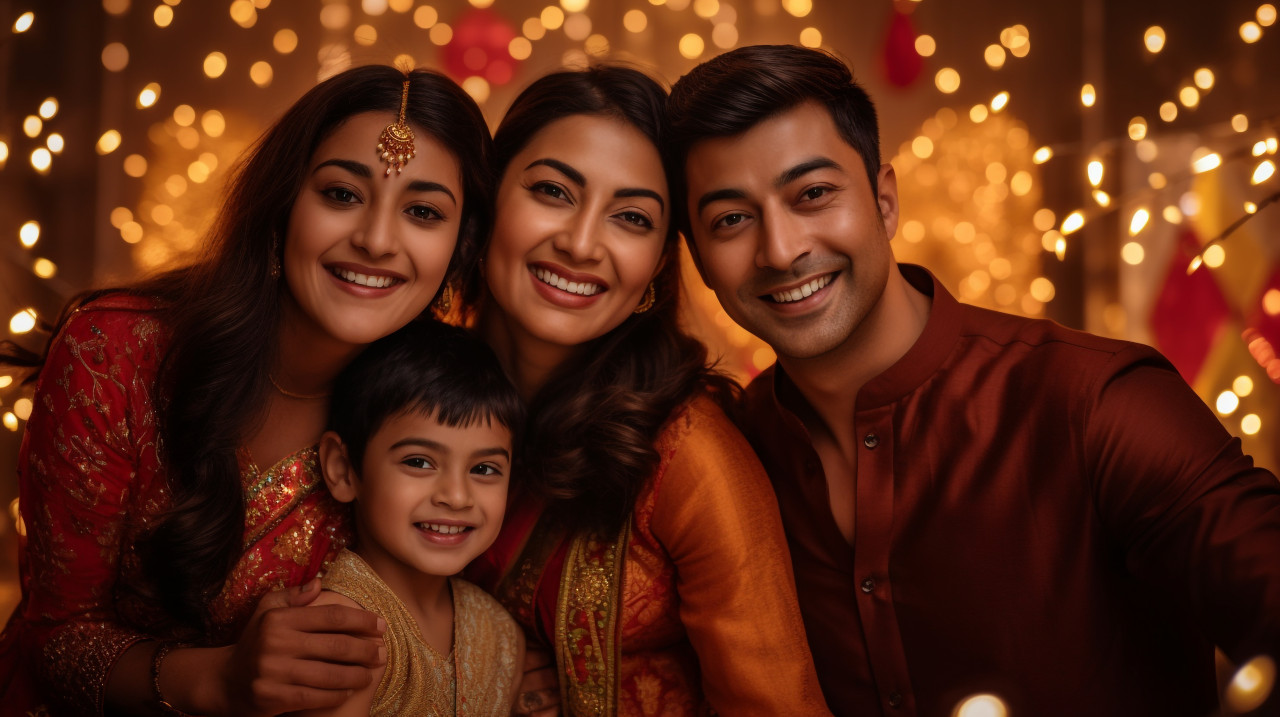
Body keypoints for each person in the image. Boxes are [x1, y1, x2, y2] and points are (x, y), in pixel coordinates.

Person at [665, 43, 1280, 717]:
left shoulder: (1096, 403)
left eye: (813, 194)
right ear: (698, 256)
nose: (780, 249)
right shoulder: (722, 461)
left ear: (885, 201)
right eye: (731, 220)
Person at [0, 64, 493, 716]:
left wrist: (500, 658)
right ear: (281, 207)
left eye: (423, 212)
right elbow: (51, 638)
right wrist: (219, 677)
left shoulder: (435, 414)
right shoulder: (114, 354)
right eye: (342, 195)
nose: (376, 240)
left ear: (457, 251)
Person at [462, 65, 830, 716]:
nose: (580, 243)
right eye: (552, 190)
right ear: (488, 199)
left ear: (660, 262)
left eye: (631, 217)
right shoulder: (401, 388)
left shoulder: (688, 455)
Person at [293, 320, 525, 716]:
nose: (456, 496)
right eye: (419, 462)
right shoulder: (341, 633)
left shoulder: (502, 634)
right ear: (343, 470)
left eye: (484, 469)